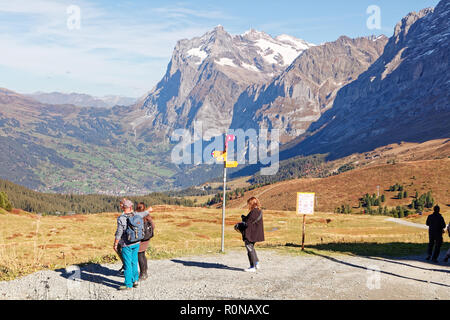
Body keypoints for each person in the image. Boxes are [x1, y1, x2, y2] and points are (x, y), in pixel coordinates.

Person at [114, 199, 152, 290]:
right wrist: (149, 210)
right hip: (137, 242)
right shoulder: (137, 214)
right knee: (134, 262)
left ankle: (128, 284)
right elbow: (144, 213)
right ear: (131, 207)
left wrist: (115, 244)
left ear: (123, 207)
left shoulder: (121, 218)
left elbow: (119, 232)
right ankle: (135, 281)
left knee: (127, 264)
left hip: (126, 244)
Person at [241, 197, 265, 272]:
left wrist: (243, 221)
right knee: (252, 248)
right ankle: (256, 263)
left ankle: (252, 266)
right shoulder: (259, 210)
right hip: (255, 233)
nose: (248, 205)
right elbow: (251, 220)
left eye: (249, 203)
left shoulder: (254, 211)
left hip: (251, 234)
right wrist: (245, 218)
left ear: (252, 203)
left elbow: (248, 223)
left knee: (249, 249)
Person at [136, 202, 155, 281]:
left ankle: (143, 273)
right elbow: (153, 226)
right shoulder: (147, 216)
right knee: (142, 254)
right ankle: (145, 270)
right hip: (146, 238)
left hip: (140, 239)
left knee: (140, 255)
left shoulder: (137, 217)